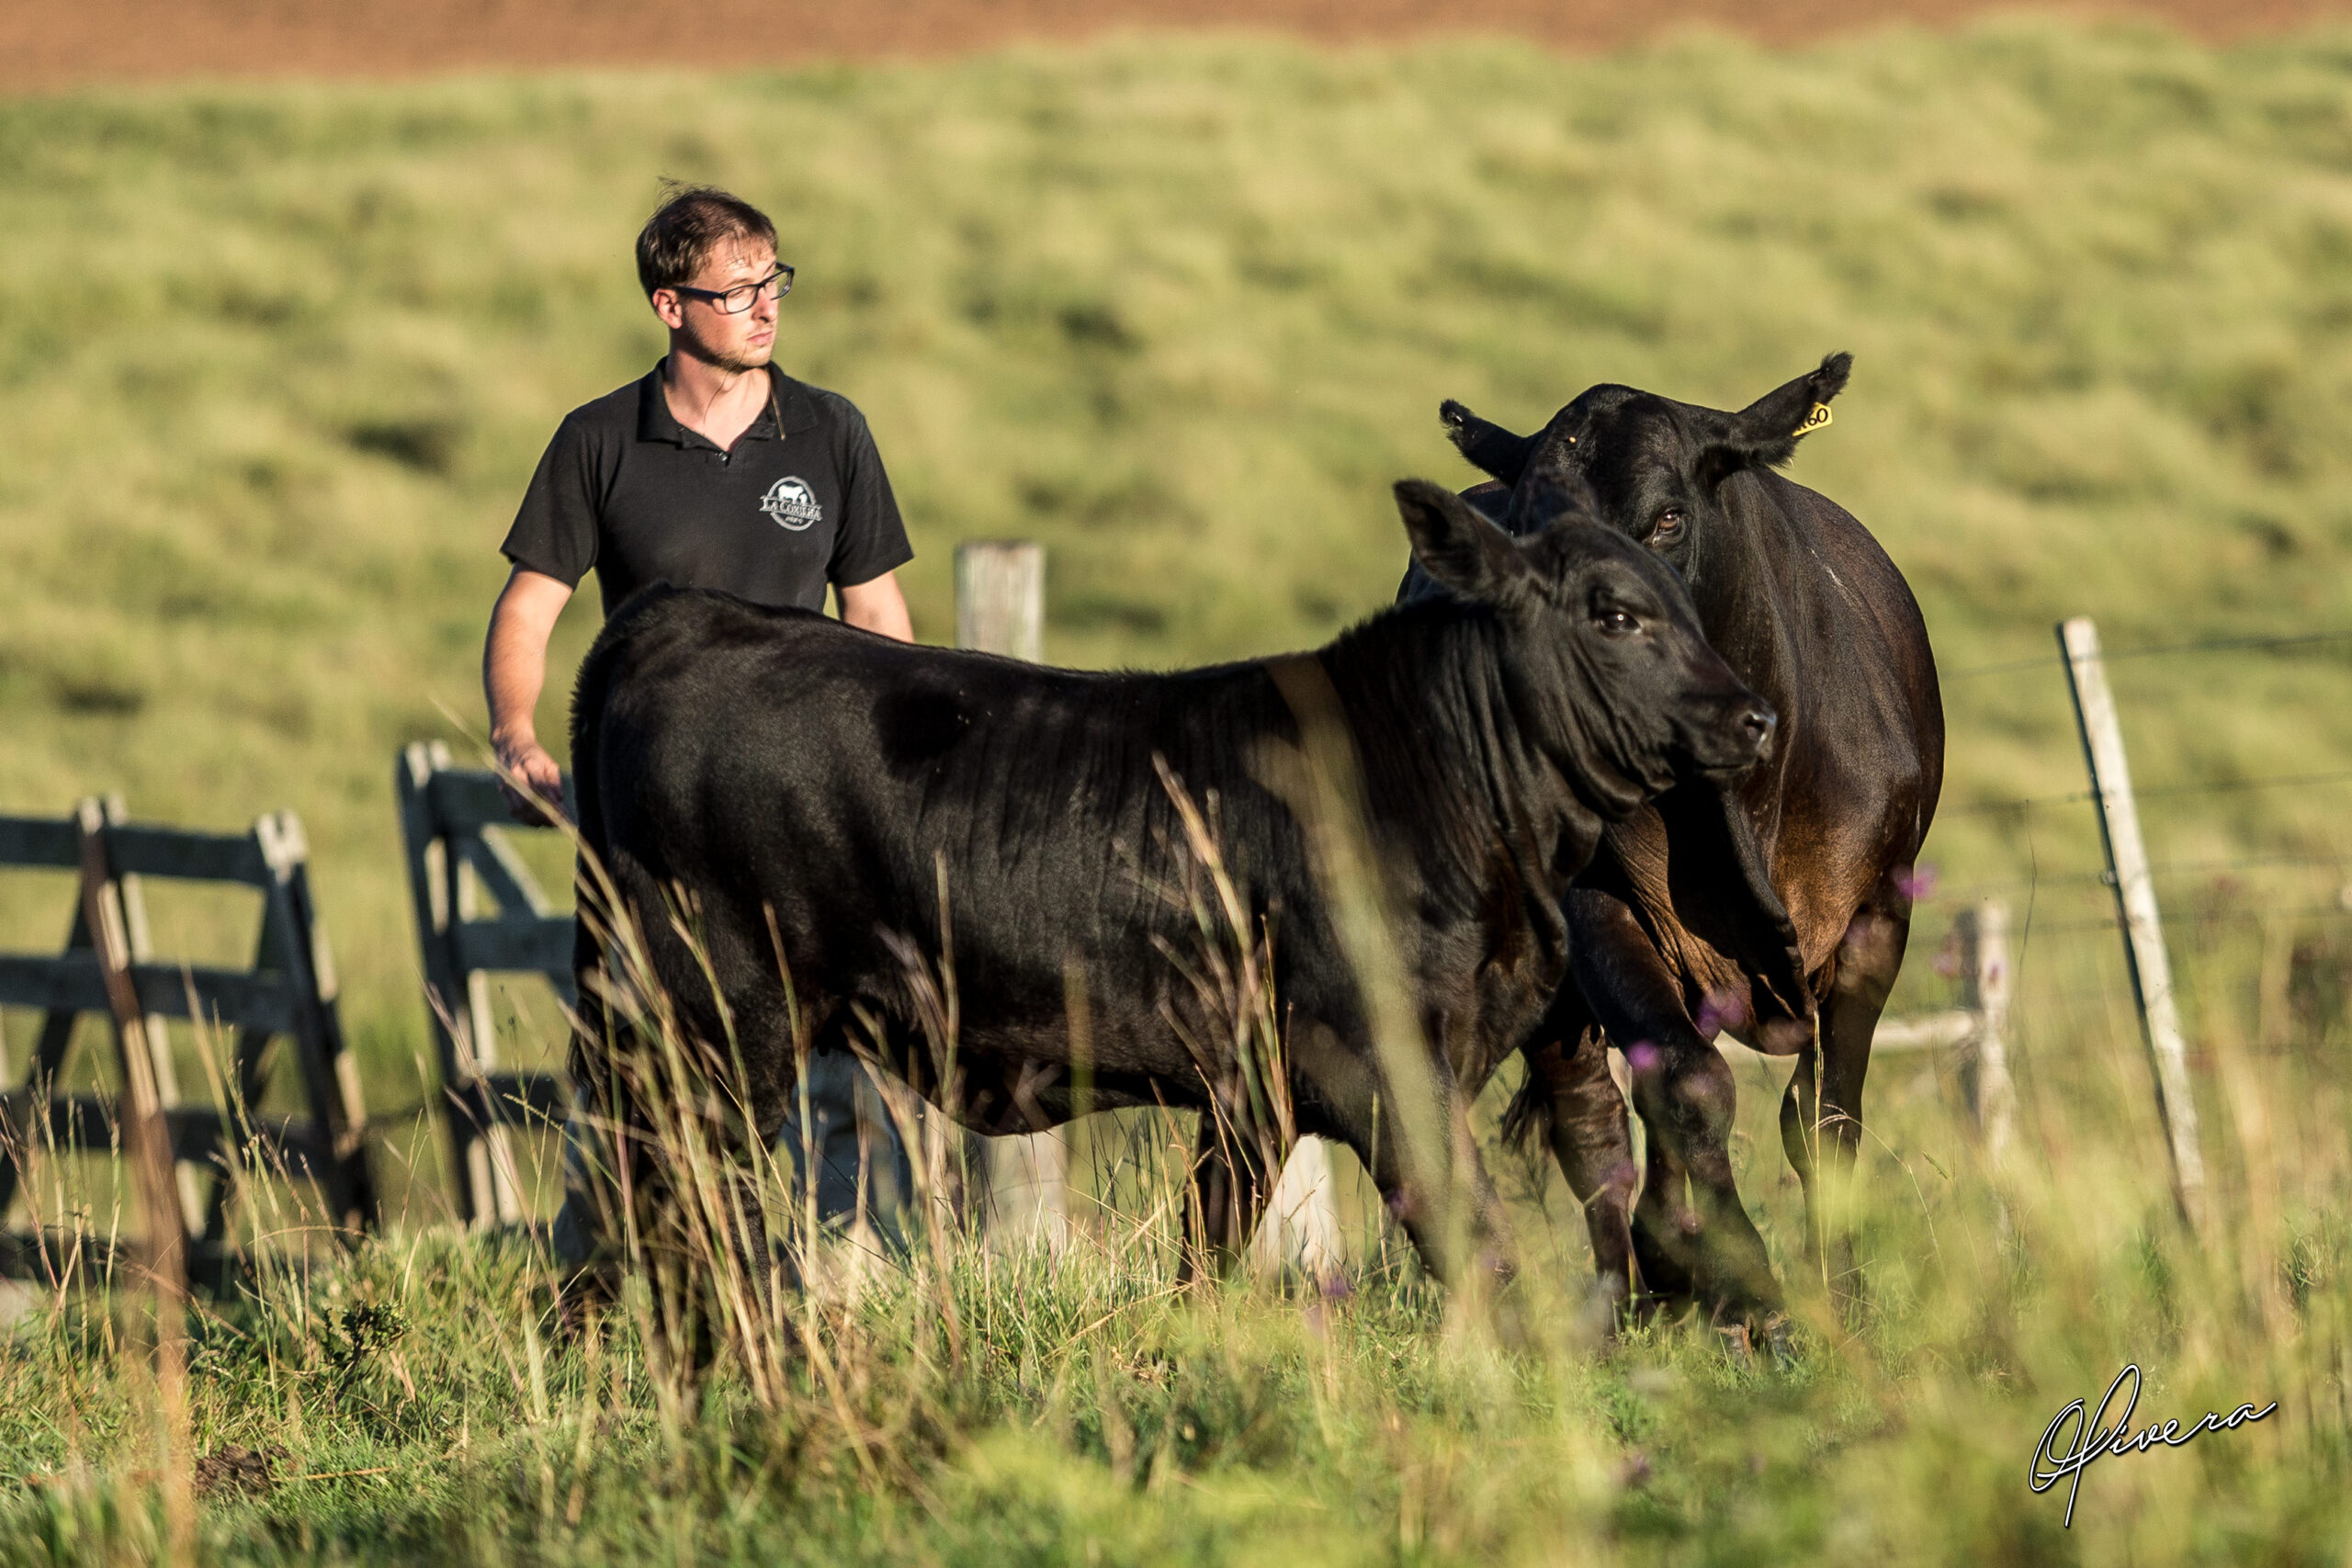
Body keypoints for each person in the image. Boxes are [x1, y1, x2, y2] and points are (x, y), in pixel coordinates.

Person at [483, 184, 915, 1255]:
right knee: (651, 1051)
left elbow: (875, 613)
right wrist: (516, 734)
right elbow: (529, 606)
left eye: (775, 281)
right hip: (659, 814)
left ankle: (841, 1283)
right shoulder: (597, 442)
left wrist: (904, 773)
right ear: (669, 306)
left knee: (838, 1042)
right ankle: (628, 1274)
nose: (765, 307)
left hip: (808, 804)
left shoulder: (830, 431)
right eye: (737, 290)